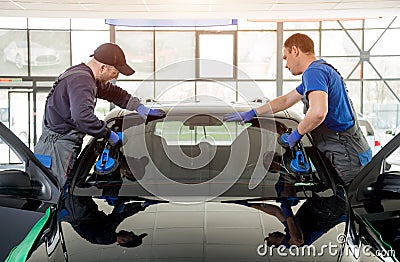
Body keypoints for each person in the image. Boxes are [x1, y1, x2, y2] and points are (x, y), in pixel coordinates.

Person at [224, 33, 372, 186]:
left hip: (346, 155)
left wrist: (296, 134)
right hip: (353, 151)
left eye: (285, 57)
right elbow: (287, 100)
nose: (286, 64)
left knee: (350, 203)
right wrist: (254, 112)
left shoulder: (314, 72)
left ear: (295, 50)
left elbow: (318, 112)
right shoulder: (322, 70)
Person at [34, 43, 165, 186]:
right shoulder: (82, 80)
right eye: (114, 73)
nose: (116, 77)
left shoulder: (82, 76)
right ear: (103, 68)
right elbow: (82, 117)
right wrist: (108, 134)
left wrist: (138, 107)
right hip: (56, 150)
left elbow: (113, 93)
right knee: (57, 196)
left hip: (55, 146)